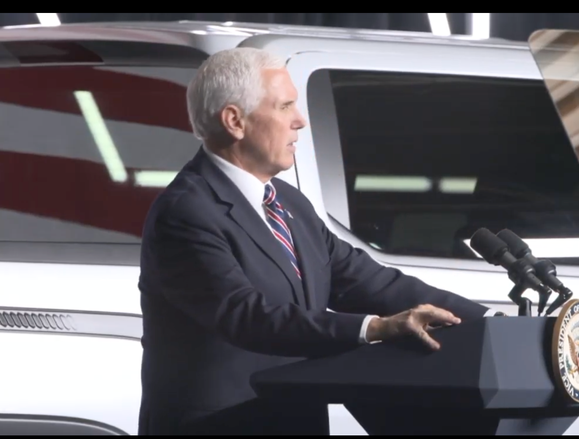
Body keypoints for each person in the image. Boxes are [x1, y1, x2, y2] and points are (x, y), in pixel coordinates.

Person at [137, 47, 500, 435]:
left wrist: (492, 326)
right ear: (234, 121)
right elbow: (247, 316)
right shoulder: (186, 212)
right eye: (285, 106)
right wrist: (375, 328)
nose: (301, 120)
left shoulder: (288, 202)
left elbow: (370, 281)